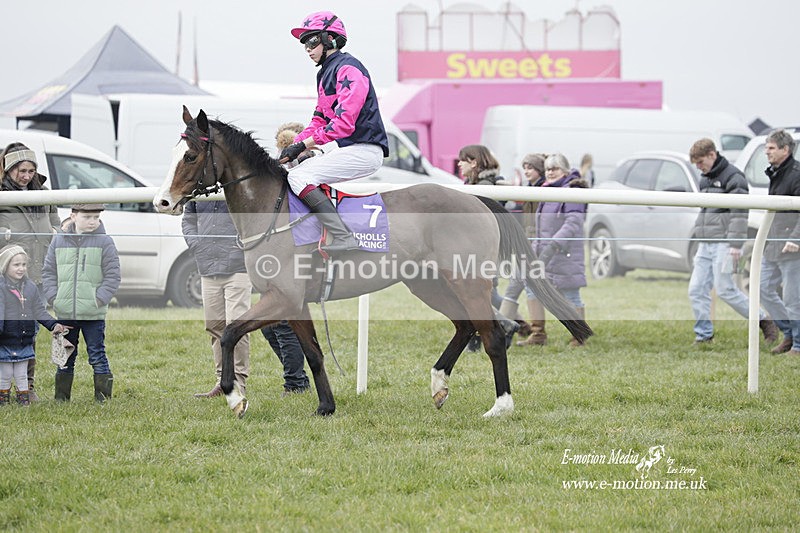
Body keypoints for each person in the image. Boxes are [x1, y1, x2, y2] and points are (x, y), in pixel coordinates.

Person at [280, 11, 389, 255]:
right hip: (350, 149)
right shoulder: (324, 73)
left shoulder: (349, 69)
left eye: (311, 41)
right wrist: (291, 148)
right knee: (294, 171)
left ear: (329, 39)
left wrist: (303, 145)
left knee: (298, 178)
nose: (307, 49)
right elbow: (319, 119)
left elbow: (343, 124)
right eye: (303, 44)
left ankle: (342, 236)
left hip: (365, 150)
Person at [687, 138, 779, 345]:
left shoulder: (734, 177)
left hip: (725, 244)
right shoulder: (705, 179)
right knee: (696, 289)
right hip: (705, 243)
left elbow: (739, 213)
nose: (699, 168)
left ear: (712, 155)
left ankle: (763, 320)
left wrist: (735, 245)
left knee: (726, 290)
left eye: (701, 162)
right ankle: (704, 335)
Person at [0, 142, 61, 401]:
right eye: (21, 170)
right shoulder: (3, 195)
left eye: (31, 171)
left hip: (37, 277)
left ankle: (28, 387)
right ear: (9, 170)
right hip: (6, 280)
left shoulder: (45, 195)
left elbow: (56, 226)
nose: (26, 176)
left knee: (29, 333)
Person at [42, 204, 120, 402]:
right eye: (87, 217)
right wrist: (54, 298)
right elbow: (49, 272)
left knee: (97, 355)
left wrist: (99, 299)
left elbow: (113, 276)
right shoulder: (58, 241)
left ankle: (103, 399)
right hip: (65, 312)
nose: (92, 221)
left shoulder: (105, 242)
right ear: (73, 216)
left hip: (93, 314)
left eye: (96, 217)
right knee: (65, 357)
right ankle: (61, 398)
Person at [182, 199, 252, 398]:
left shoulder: (235, 185)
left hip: (238, 268)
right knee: (214, 326)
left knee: (236, 326)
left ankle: (238, 383)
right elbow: (188, 220)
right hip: (207, 267)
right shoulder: (198, 192)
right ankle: (223, 381)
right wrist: (196, 244)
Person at [528, 153, 589, 347]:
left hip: (564, 254)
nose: (550, 172)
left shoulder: (572, 191)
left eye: (555, 168)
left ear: (565, 170)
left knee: (570, 295)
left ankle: (579, 336)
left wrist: (554, 245)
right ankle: (537, 334)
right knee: (531, 289)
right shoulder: (546, 191)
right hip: (543, 253)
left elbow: (573, 223)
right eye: (547, 169)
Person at [0, 245, 69, 405]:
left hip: (24, 340)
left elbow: (39, 310)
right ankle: (3, 401)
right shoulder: (2, 288)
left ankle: (24, 400)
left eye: (24, 265)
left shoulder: (30, 287)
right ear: (5, 265)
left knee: (22, 373)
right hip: (5, 340)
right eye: (16, 265)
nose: (21, 268)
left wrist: (53, 325)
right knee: (5, 372)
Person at [759, 129, 800, 356]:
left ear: (786, 149)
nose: (767, 151)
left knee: (793, 300)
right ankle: (790, 334)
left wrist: (795, 239)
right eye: (767, 147)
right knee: (762, 288)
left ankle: (799, 345)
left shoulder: (797, 174)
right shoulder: (776, 172)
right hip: (773, 245)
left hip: (792, 249)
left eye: (771, 147)